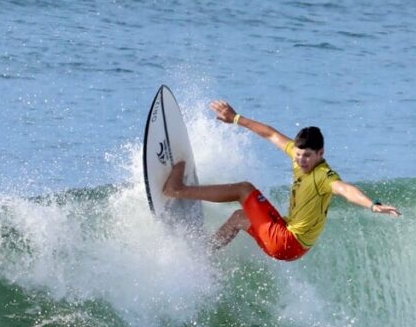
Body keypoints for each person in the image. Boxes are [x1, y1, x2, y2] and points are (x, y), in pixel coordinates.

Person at [164, 100, 400, 261]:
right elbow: (271, 134)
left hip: (288, 242)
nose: (302, 160)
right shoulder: (298, 156)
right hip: (291, 243)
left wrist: (373, 205)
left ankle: (177, 190)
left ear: (321, 153)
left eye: (308, 155)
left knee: (244, 190)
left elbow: (345, 189)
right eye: (298, 154)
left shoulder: (323, 177)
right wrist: (235, 118)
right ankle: (202, 255)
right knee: (239, 218)